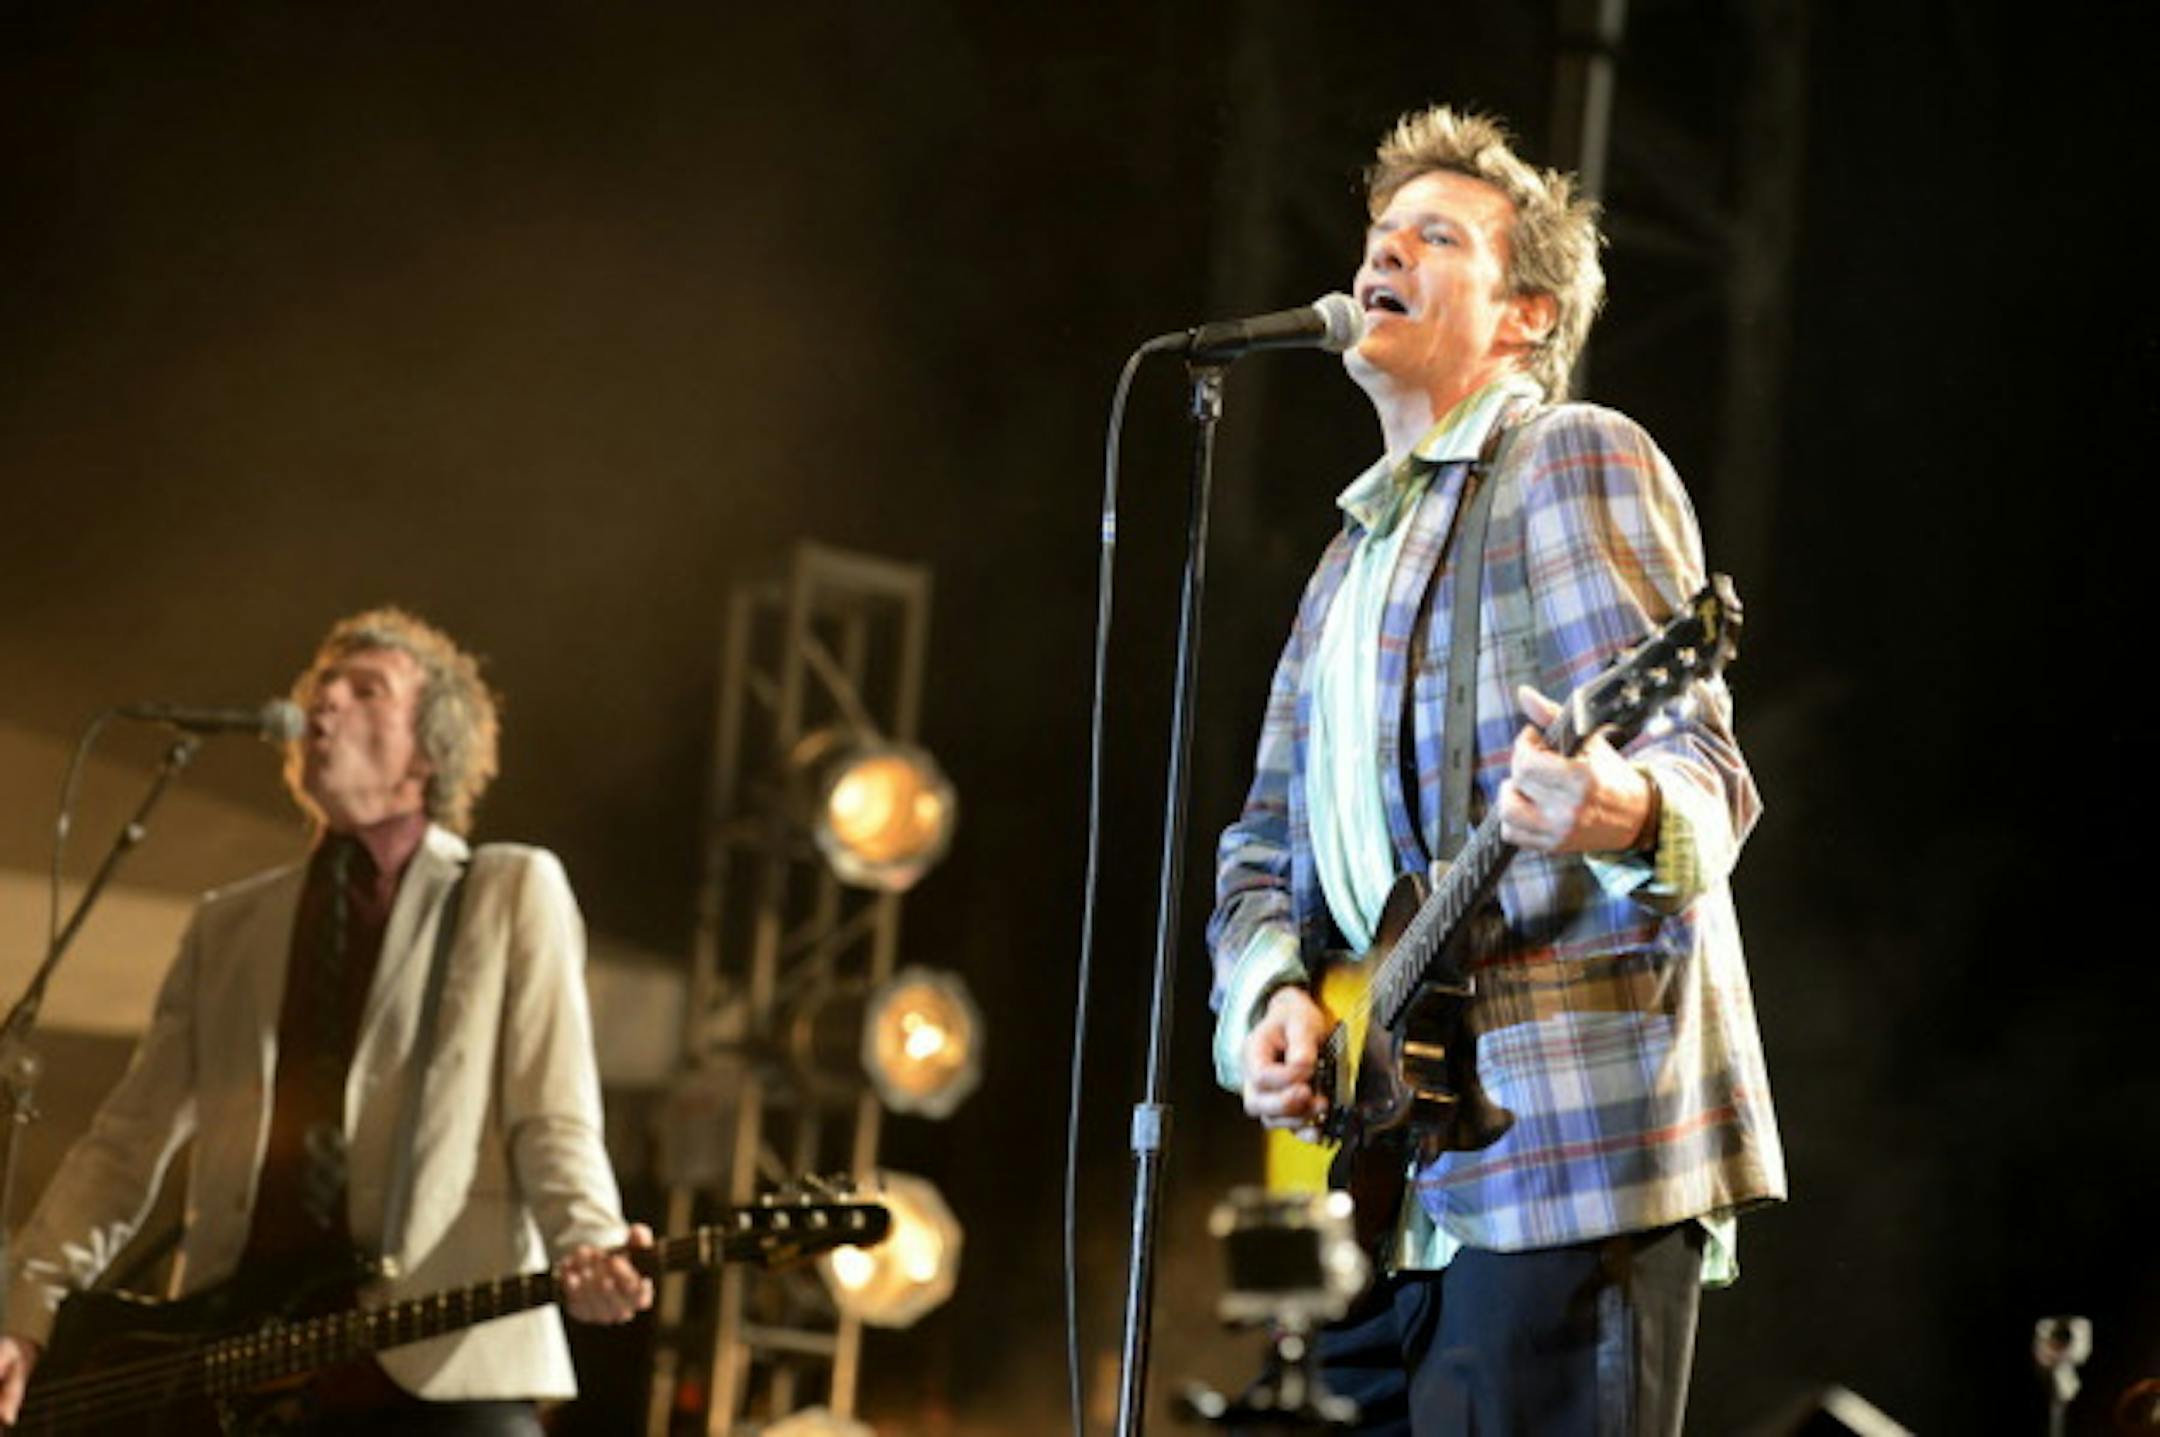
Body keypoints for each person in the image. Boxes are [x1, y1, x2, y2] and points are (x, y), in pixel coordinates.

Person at [1207, 106, 1786, 1435]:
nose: (1383, 253)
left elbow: (1700, 760)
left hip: (1566, 1158)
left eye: (1434, 235)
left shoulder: (1571, 457)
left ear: (1526, 313)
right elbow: (1258, 849)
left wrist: (1617, 806)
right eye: (1377, 233)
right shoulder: (1341, 567)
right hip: (1390, 1192)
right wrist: (1269, 1002)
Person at [0, 607, 652, 1435]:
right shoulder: (227, 925)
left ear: (429, 748)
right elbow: (127, 1143)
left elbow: (552, 1114)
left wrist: (590, 1241)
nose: (324, 700)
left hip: (440, 1357)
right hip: (247, 1361)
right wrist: (25, 1312)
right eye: (319, 684)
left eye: (365, 687)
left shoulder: (506, 889)